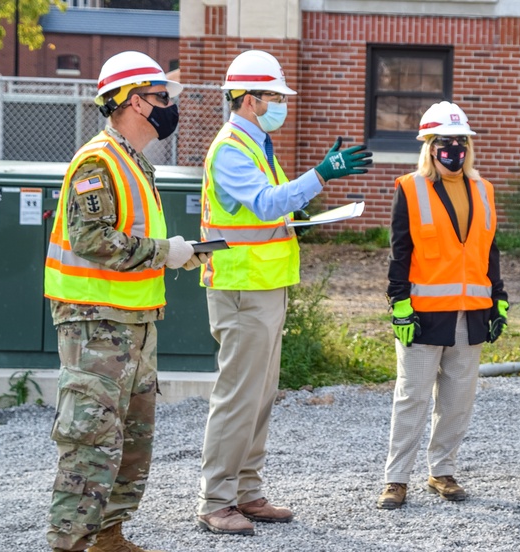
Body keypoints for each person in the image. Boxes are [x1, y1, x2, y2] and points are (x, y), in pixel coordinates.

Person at [195, 50, 372, 535]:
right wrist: (321, 176)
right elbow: (264, 202)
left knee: (261, 394)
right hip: (242, 288)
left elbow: (263, 215)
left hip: (263, 286)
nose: (281, 104)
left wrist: (305, 215)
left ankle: (246, 492)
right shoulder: (232, 148)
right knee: (238, 397)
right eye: (274, 96)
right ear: (250, 100)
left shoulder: (255, 145)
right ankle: (217, 500)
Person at [44, 51, 208, 552]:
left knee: (132, 439)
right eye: (161, 98)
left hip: (132, 322)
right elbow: (91, 238)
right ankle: (70, 542)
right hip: (95, 324)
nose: (167, 107)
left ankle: (109, 535)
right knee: (90, 440)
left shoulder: (132, 160)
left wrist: (176, 255)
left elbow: (126, 238)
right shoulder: (98, 160)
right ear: (135, 101)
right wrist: (166, 252)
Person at [376, 101, 508, 510]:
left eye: (461, 142)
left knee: (457, 399)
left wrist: (499, 299)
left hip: (472, 312)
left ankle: (442, 471)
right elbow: (400, 253)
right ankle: (396, 480)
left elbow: (490, 251)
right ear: (430, 147)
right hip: (423, 314)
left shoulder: (483, 190)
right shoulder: (410, 188)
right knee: (412, 398)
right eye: (446, 142)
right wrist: (398, 303)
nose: (455, 149)